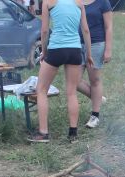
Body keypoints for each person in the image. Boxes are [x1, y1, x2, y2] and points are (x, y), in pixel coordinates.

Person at [30, 0, 93, 143]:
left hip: (57, 48)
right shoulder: (79, 3)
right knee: (71, 92)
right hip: (75, 50)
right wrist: (88, 54)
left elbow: (45, 30)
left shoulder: (48, 1)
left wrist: (44, 52)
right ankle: (73, 134)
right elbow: (86, 30)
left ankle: (43, 133)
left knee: (41, 90)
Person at [76, 0, 113, 129]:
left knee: (94, 80)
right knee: (74, 81)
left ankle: (95, 115)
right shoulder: (76, 1)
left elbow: (108, 27)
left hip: (96, 44)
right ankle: (97, 97)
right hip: (77, 44)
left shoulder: (102, 2)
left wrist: (108, 49)